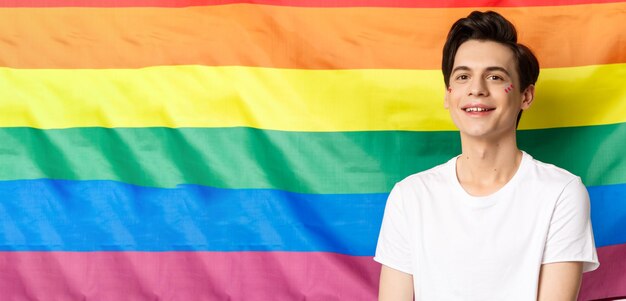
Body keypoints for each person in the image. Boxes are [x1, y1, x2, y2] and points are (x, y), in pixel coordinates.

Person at [374, 11, 599, 300]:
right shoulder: (409, 196)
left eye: (495, 77)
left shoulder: (561, 193)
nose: (477, 89)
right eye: (463, 76)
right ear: (448, 94)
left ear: (525, 96)